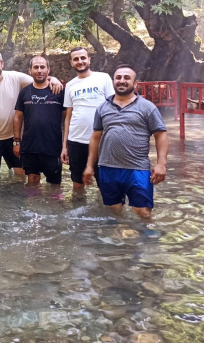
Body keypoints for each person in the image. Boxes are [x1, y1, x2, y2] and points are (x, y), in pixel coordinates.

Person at [83, 65, 169, 218]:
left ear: (135, 83)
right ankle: (119, 239)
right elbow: (96, 137)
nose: (122, 81)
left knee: (143, 212)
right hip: (107, 167)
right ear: (113, 82)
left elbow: (160, 135)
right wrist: (90, 166)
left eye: (127, 78)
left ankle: (144, 240)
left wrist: (161, 164)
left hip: (137, 168)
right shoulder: (102, 108)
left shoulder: (147, 108)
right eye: (118, 78)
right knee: (113, 210)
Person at [0, 51, 62, 176]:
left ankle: (19, 195)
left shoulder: (14, 77)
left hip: (11, 137)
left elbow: (39, 78)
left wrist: (54, 79)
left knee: (22, 174)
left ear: (2, 64)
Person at [62, 47, 115, 191]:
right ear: (71, 63)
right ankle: (78, 212)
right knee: (77, 183)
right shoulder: (70, 85)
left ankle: (105, 211)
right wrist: (64, 146)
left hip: (101, 141)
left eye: (83, 58)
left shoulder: (103, 78)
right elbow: (68, 115)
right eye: (76, 59)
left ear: (89, 59)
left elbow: (113, 108)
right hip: (76, 140)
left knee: (105, 183)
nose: (80, 61)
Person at [13, 55, 65, 185]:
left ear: (48, 69)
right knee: (32, 182)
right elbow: (17, 117)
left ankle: (53, 206)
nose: (39, 70)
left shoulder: (58, 91)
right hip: (30, 146)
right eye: (36, 67)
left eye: (43, 67)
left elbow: (68, 118)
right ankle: (33, 206)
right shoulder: (25, 92)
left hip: (53, 147)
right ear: (30, 71)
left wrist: (66, 145)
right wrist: (17, 142)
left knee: (54, 186)